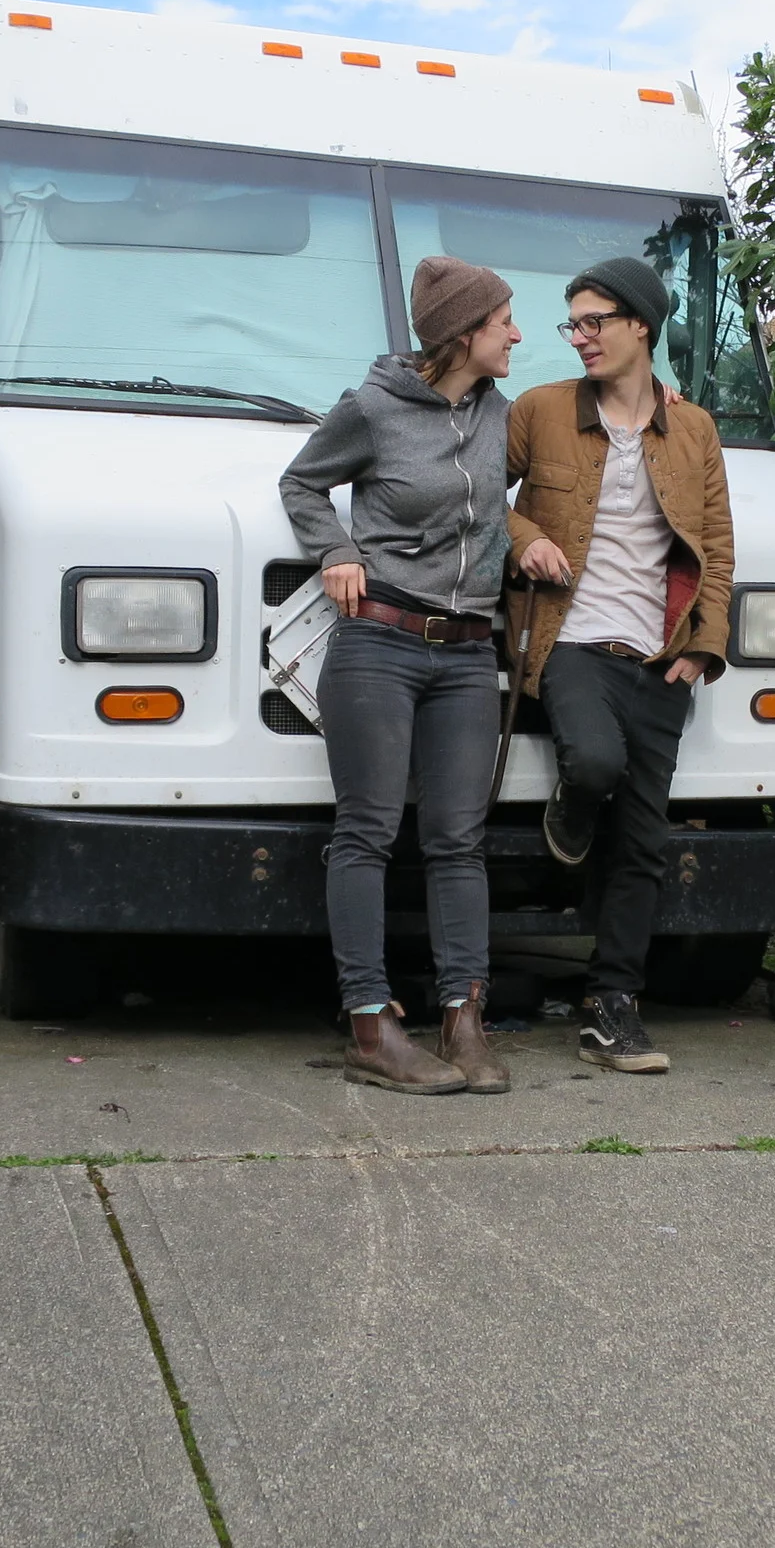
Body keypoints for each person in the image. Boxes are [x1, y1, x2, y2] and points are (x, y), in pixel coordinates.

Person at [279, 257, 520, 1095]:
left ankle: (464, 1017)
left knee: (459, 837)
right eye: (503, 323)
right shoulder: (373, 408)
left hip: (466, 653)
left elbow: (560, 457)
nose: (516, 335)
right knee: (369, 829)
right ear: (463, 335)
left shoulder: (503, 416)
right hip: (378, 643)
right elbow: (303, 482)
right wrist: (338, 550)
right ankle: (371, 1025)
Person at [505, 256, 733, 1074]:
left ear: (642, 324)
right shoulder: (539, 412)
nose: (581, 337)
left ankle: (613, 1006)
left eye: (595, 320)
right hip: (569, 641)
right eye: (574, 323)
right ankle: (571, 807)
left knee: (642, 841)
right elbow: (473, 489)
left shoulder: (694, 428)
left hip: (659, 655)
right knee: (595, 761)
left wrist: (705, 645)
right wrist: (522, 535)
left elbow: (715, 542)